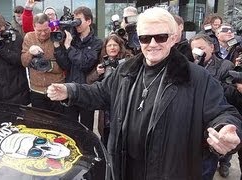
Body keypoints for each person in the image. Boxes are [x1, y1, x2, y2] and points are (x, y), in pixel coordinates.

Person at [47, 7, 242, 180]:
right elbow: (100, 92)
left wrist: (225, 129)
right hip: (126, 168)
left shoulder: (196, 77)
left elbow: (223, 113)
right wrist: (69, 90)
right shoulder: (126, 71)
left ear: (174, 38)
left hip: (170, 172)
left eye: (161, 37)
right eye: (145, 38)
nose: (153, 43)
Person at [189, 33, 242, 179]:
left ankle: (225, 163)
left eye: (200, 48)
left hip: (219, 116)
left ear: (211, 48)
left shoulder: (225, 66)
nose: (197, 52)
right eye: (194, 49)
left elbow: (231, 96)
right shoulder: (190, 66)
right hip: (196, 123)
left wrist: (205, 80)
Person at [53, 6, 102, 131]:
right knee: (69, 128)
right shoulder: (72, 40)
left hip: (87, 91)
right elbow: (65, 65)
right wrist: (58, 46)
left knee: (86, 130)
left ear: (89, 21)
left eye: (79, 20)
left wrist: (69, 47)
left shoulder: (97, 42)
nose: (76, 24)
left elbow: (85, 63)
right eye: (74, 20)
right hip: (70, 90)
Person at [86, 34, 132, 146]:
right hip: (106, 108)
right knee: (106, 138)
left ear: (120, 46)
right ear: (105, 48)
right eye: (109, 45)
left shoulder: (128, 60)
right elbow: (89, 81)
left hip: (123, 105)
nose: (112, 48)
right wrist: (97, 73)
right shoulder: (102, 61)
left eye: (115, 45)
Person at [21, 13, 65, 113]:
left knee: (58, 123)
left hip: (56, 89)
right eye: (39, 31)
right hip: (36, 90)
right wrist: (30, 53)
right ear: (33, 27)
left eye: (46, 30)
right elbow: (24, 62)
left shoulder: (57, 37)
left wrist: (49, 66)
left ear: (50, 25)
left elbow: (65, 65)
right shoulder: (29, 37)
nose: (43, 33)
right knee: (40, 123)